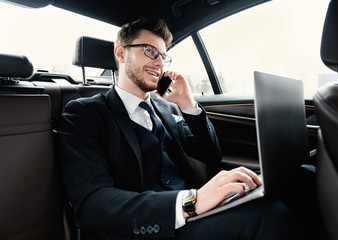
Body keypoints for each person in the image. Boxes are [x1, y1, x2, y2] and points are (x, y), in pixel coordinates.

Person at [59, 17, 291, 240]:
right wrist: (190, 201)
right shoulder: (84, 113)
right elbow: (93, 203)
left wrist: (188, 105)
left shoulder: (165, 108)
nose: (159, 62)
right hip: (150, 228)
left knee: (293, 186)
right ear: (120, 52)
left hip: (196, 216)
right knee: (271, 217)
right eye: (150, 51)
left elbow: (211, 156)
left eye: (163, 55)